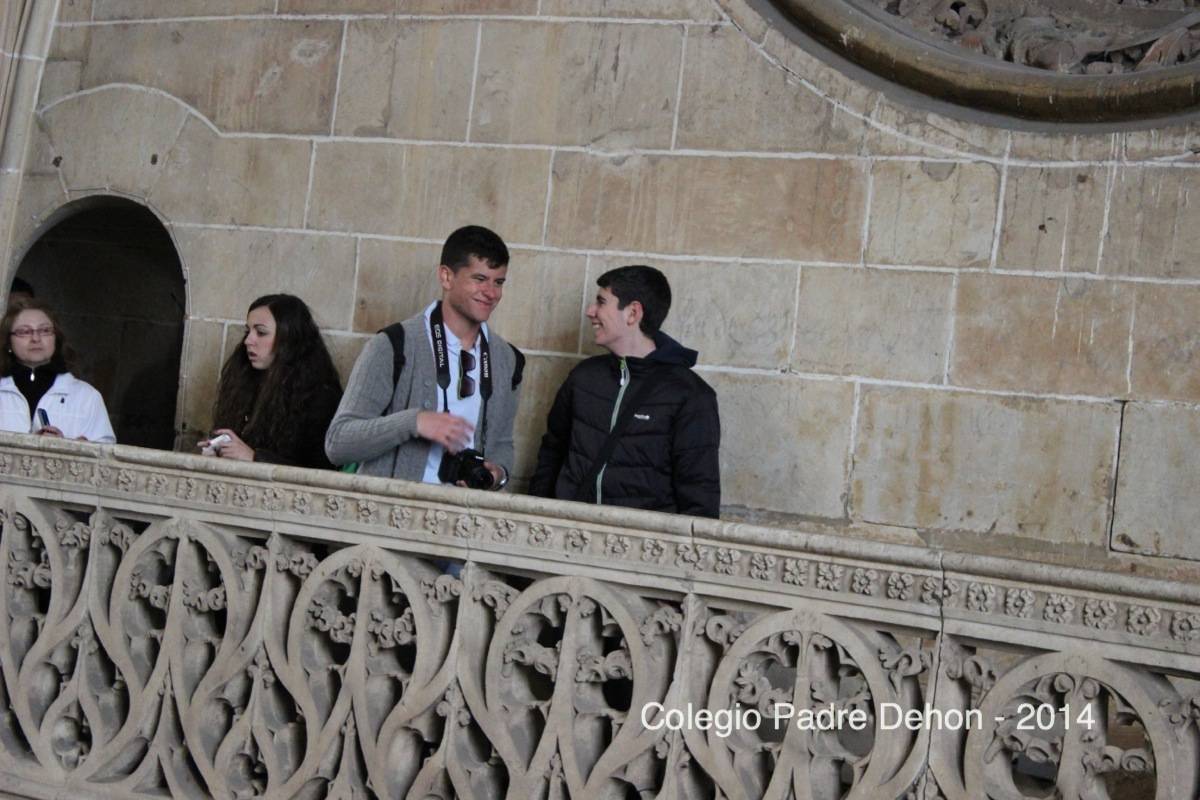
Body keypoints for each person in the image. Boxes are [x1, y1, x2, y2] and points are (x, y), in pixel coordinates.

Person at [325, 225, 523, 489]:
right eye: (479, 279)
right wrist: (414, 422)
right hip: (392, 515)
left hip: (463, 521)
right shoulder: (393, 345)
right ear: (446, 277)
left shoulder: (507, 360)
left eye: (498, 282)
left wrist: (498, 474)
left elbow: (502, 445)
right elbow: (337, 443)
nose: (491, 292)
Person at [530, 265, 720, 518]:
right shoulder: (583, 377)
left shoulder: (691, 395)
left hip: (640, 549)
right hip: (569, 538)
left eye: (601, 302)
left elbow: (699, 494)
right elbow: (552, 454)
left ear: (632, 312)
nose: (590, 312)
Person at [201, 294, 342, 469]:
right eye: (248, 331)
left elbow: (319, 473)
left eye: (261, 332)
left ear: (289, 339)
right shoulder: (245, 382)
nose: (248, 341)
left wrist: (254, 457)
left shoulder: (321, 397)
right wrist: (219, 449)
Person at [0, 298, 115, 442]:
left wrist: (66, 447)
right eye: (24, 331)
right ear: (8, 341)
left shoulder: (86, 397)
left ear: (56, 338)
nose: (36, 338)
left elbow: (104, 453)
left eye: (45, 330)